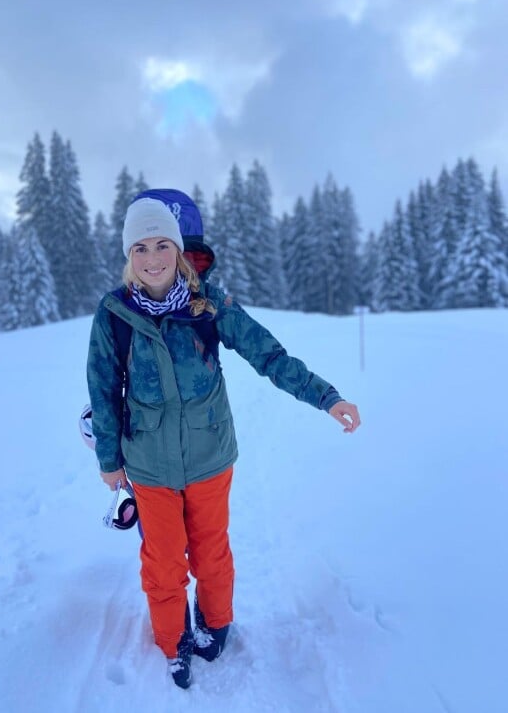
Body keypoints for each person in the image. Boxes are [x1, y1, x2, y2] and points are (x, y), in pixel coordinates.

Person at [86, 189, 360, 689]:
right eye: (140, 248)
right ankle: (173, 643)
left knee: (211, 553)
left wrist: (327, 398)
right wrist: (109, 459)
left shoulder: (211, 305)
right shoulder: (113, 314)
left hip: (211, 458)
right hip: (148, 466)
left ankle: (216, 623)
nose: (152, 258)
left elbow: (270, 356)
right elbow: (103, 391)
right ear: (129, 257)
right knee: (163, 563)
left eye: (161, 245)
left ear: (179, 250)